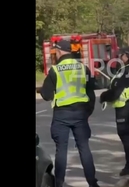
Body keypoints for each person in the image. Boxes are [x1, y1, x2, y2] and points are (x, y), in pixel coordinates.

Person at [40, 39, 100, 187]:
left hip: (61, 115)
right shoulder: (82, 68)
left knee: (61, 150)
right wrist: (88, 112)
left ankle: (59, 183)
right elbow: (91, 92)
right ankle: (92, 183)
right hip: (80, 113)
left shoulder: (55, 70)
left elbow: (46, 95)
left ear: (59, 51)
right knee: (84, 147)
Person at [99, 46, 129, 177]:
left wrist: (103, 97)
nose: (120, 57)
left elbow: (116, 91)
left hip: (126, 107)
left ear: (126, 55)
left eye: (121, 55)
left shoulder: (126, 70)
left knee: (126, 136)